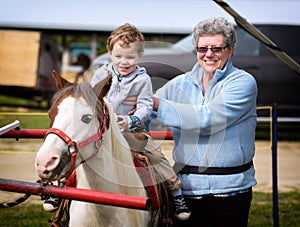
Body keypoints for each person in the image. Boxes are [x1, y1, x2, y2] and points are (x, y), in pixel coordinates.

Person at [151, 17, 257, 227]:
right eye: (202, 48)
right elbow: (148, 116)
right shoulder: (179, 84)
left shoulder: (243, 82)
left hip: (231, 192)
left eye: (216, 49)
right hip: (186, 192)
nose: (209, 54)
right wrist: (126, 115)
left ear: (231, 49)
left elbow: (208, 119)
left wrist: (155, 104)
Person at [90, 23, 191, 220]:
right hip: (102, 129)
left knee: (154, 155)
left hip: (130, 131)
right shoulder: (101, 74)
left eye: (130, 57)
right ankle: (61, 187)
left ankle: (175, 191)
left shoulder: (142, 80)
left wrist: (130, 121)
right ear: (110, 53)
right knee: (79, 150)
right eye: (118, 56)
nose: (124, 62)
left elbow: (145, 106)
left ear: (140, 56)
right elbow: (91, 99)